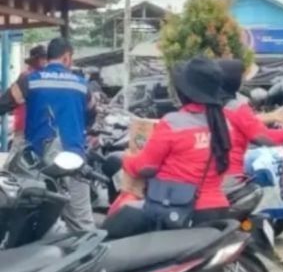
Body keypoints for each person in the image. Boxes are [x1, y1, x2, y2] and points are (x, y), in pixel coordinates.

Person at [104, 57, 232, 237]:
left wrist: (127, 159)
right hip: (217, 207)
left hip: (176, 210)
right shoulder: (223, 124)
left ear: (184, 92)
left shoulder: (173, 123)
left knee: (110, 231)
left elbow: (145, 167)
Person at [0, 38, 97, 232]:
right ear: (67, 57)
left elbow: (4, 103)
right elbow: (91, 116)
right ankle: (88, 258)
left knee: (25, 219)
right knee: (82, 224)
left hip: (37, 165)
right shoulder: (82, 86)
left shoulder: (30, 80)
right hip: (74, 161)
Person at [7, 45, 47, 155]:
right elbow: (10, 99)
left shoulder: (36, 76)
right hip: (24, 124)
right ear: (34, 60)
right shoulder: (26, 77)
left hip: (37, 125)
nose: (45, 61)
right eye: (42, 58)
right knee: (17, 155)